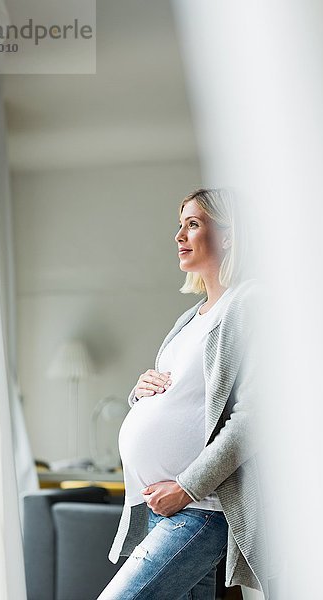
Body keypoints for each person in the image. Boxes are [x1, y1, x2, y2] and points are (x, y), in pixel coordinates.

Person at [97, 188, 268, 600]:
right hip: (166, 505)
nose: (179, 236)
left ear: (230, 235)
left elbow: (254, 417)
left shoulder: (251, 303)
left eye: (193, 224)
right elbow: (185, 397)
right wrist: (141, 394)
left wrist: (187, 488)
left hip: (203, 506)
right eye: (180, 225)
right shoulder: (190, 318)